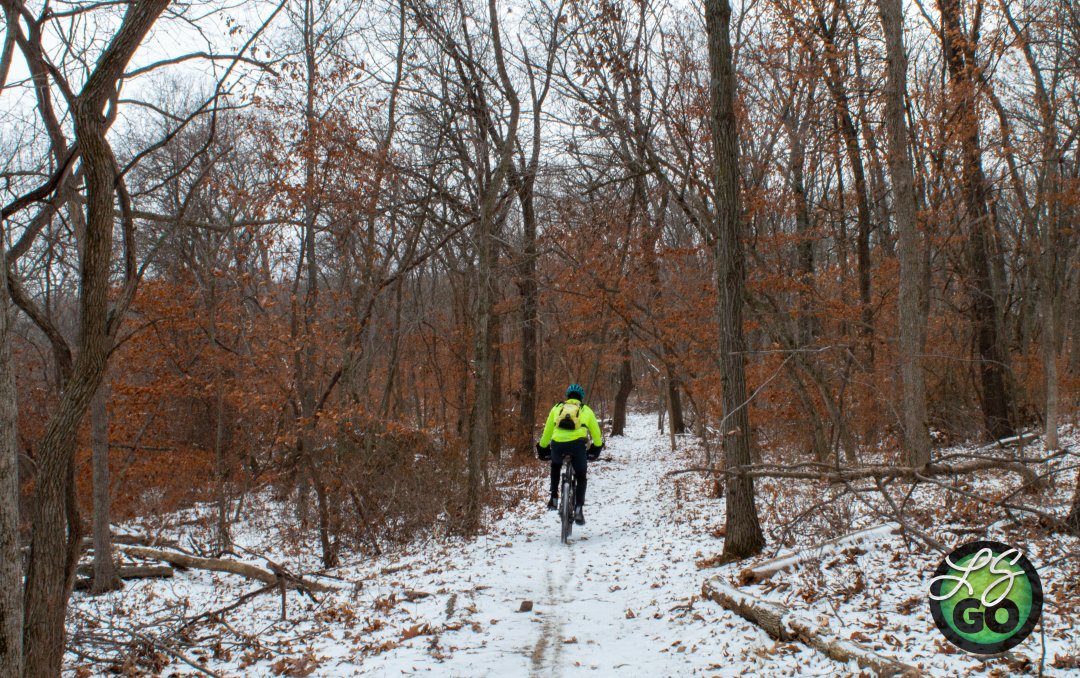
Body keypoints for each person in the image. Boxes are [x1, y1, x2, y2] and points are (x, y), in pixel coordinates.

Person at [535, 383, 603, 525]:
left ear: (567, 396)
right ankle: (578, 508)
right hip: (578, 446)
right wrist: (596, 449)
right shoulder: (586, 410)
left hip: (557, 445)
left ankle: (553, 498)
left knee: (555, 466)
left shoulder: (557, 408)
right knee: (581, 476)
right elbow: (596, 434)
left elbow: (547, 431)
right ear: (581, 398)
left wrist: (542, 448)